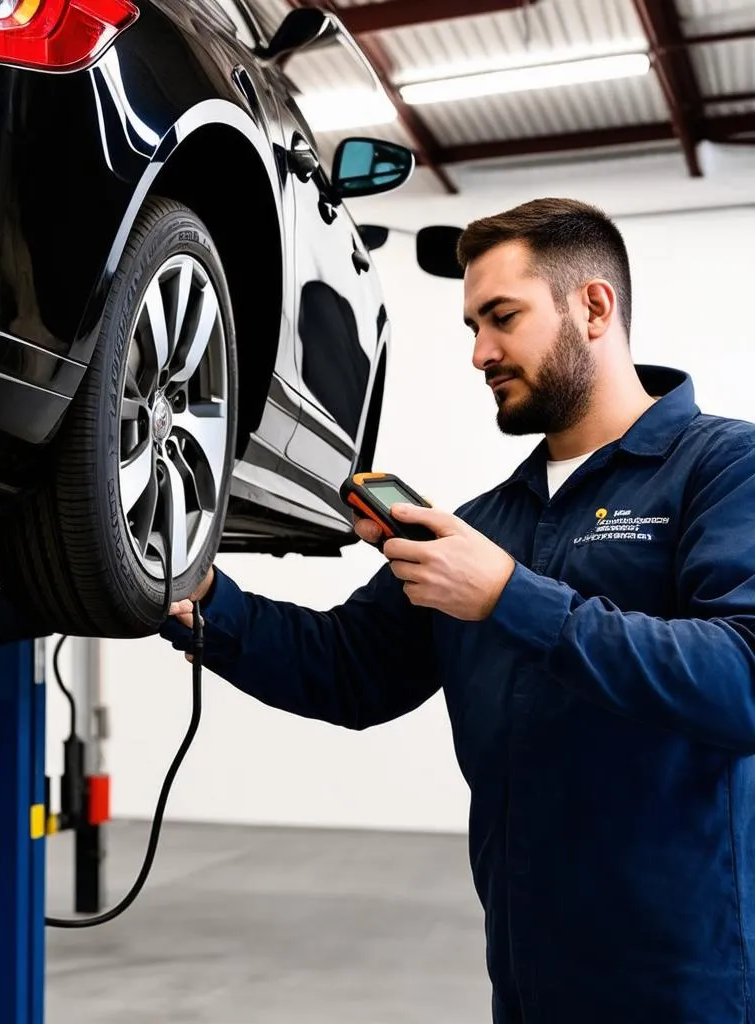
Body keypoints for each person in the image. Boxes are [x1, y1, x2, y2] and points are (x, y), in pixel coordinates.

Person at [159, 197, 755, 1023]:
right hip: (526, 985)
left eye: (501, 317)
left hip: (684, 990)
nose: (480, 352)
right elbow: (348, 671)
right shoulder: (483, 525)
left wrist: (510, 597)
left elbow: (743, 680)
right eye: (472, 324)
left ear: (593, 307)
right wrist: (199, 603)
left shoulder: (722, 469)